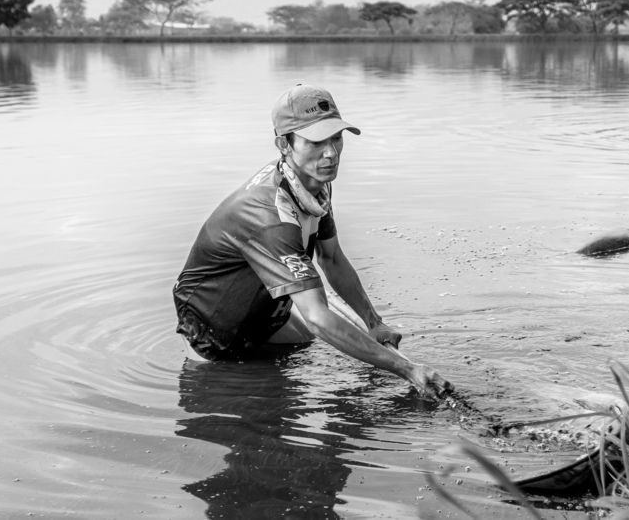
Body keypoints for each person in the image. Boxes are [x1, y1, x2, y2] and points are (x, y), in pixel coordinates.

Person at [172, 83, 451, 399]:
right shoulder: (268, 213)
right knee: (250, 409)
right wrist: (407, 370)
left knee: (319, 353)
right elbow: (318, 318)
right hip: (215, 332)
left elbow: (330, 258)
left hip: (270, 308)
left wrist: (374, 323)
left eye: (336, 138)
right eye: (316, 141)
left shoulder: (314, 184)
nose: (331, 153)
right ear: (284, 144)